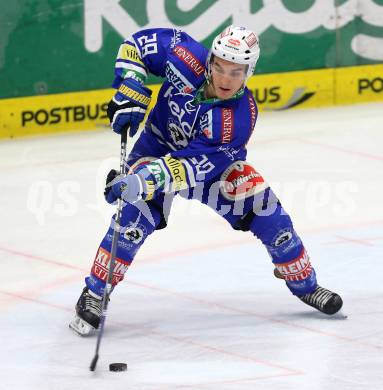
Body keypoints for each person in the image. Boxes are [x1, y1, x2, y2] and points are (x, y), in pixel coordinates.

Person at [69, 26, 343, 336]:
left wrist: (136, 183)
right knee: (133, 217)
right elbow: (135, 45)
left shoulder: (238, 117)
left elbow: (187, 168)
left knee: (266, 210)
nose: (226, 79)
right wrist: (131, 84)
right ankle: (94, 293)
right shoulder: (185, 57)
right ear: (210, 60)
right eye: (220, 68)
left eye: (236, 72)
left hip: (206, 170)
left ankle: (305, 285)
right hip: (155, 147)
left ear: (249, 72)